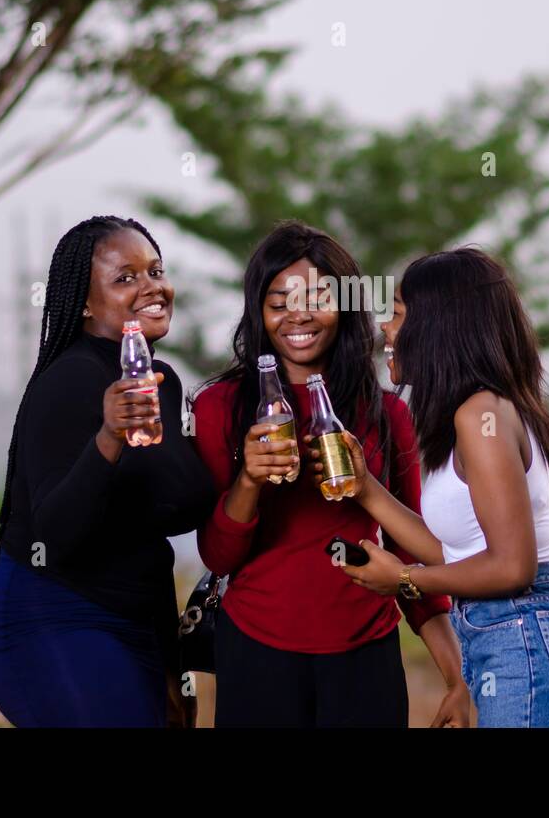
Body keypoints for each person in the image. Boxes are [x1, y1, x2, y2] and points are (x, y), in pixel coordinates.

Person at [312, 247, 549, 727]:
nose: (384, 330)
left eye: (399, 315)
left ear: (438, 328)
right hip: (518, 635)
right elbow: (457, 552)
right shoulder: (474, 414)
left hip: (528, 635)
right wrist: (365, 488)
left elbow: (513, 567)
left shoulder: (481, 415)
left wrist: (403, 580)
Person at [192, 221, 469, 728]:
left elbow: (412, 551)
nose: (298, 315)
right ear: (258, 310)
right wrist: (249, 482)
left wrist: (457, 677)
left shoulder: (386, 413)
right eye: (279, 301)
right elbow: (217, 554)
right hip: (255, 652)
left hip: (366, 654)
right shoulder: (219, 407)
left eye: (317, 297)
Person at [0, 215, 215, 727]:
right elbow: (57, 533)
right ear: (83, 301)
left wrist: (172, 667)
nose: (152, 288)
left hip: (133, 618)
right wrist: (108, 438)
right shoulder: (71, 381)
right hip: (48, 616)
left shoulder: (160, 382)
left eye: (155, 271)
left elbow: (149, 545)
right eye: (125, 278)